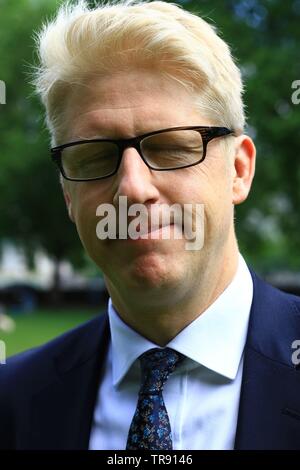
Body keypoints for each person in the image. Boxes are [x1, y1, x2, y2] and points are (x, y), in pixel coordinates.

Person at [0, 0, 300, 451]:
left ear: (238, 170)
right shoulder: (13, 401)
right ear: (68, 194)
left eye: (170, 148)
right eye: (97, 156)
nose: (134, 189)